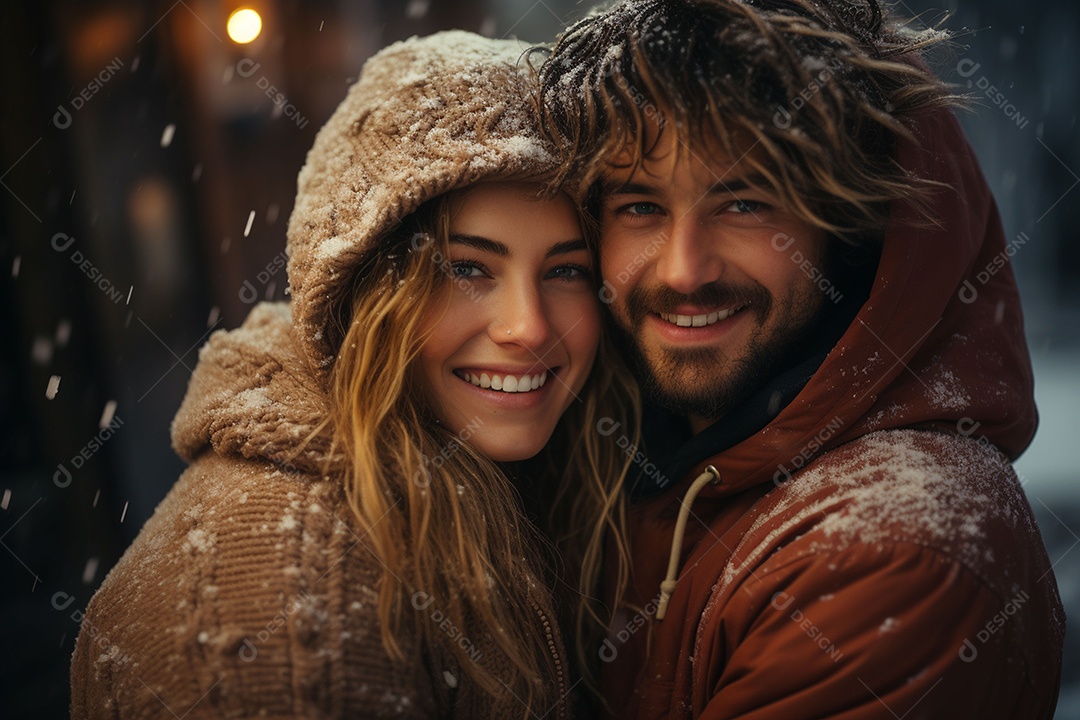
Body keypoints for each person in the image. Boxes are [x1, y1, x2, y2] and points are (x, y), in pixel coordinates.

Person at [70, 31, 639, 719]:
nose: (530, 327)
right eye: (465, 268)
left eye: (566, 270)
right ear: (360, 290)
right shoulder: (279, 608)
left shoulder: (522, 472)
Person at [535, 0, 1065, 717]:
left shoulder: (893, 550)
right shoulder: (622, 459)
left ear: (848, 228)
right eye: (641, 208)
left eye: (746, 203)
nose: (684, 270)